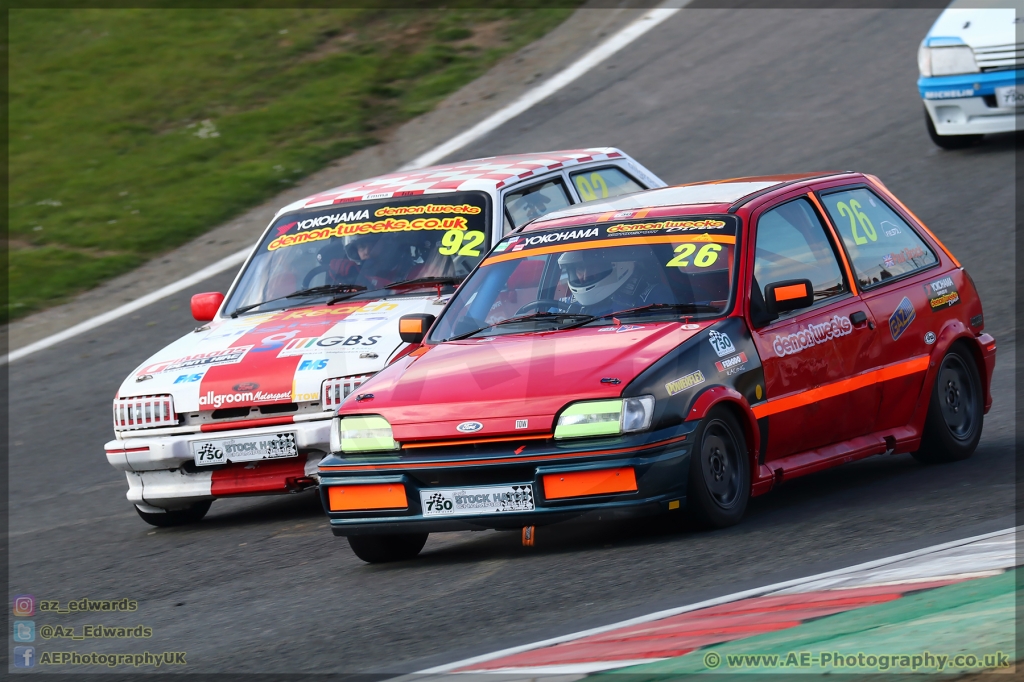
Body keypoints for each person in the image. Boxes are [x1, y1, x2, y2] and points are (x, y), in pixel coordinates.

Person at [557, 248, 672, 316]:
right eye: (581, 268)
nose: (586, 276)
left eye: (594, 267)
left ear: (618, 266)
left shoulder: (652, 297)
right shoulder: (564, 307)